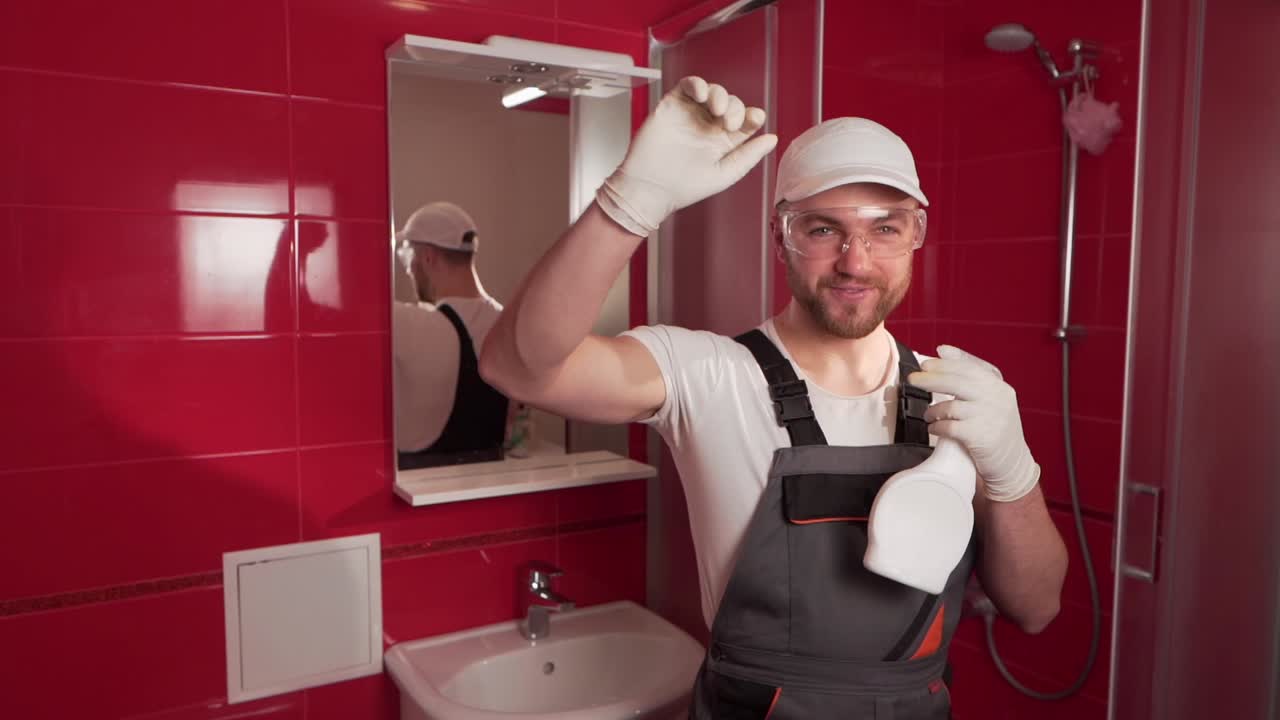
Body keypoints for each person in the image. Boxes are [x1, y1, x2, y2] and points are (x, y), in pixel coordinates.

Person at [479, 77, 1068, 718]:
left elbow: (1037, 610)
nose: (855, 261)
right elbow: (519, 367)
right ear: (780, 235)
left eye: (885, 229)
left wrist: (1013, 473)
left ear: (916, 236)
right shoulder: (710, 375)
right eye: (822, 230)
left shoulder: (961, 399)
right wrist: (630, 202)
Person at [393, 201, 508, 469]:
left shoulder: (415, 325)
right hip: (493, 480)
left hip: (429, 492)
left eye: (407, 257)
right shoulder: (507, 321)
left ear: (428, 257)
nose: (408, 269)